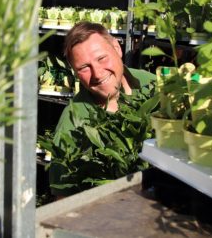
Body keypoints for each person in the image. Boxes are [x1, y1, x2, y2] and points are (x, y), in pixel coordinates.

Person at [49, 21, 156, 197]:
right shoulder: (73, 122)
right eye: (84, 67)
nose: (98, 73)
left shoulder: (152, 85)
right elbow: (62, 196)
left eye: (101, 58)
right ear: (75, 73)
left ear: (117, 48)